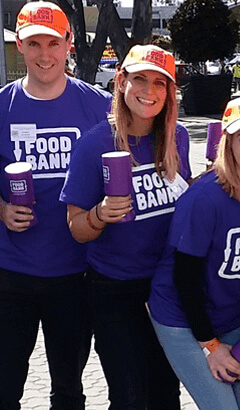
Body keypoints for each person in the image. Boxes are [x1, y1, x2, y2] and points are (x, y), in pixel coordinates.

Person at [60, 44, 189, 409]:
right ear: (121, 81)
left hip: (166, 287)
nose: (150, 92)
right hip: (115, 291)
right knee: (129, 397)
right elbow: (76, 227)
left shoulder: (176, 137)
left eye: (160, 83)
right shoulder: (94, 145)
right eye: (140, 80)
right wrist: (101, 214)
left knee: (166, 394)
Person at [147, 95, 240, 409]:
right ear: (228, 145)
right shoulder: (206, 197)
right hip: (184, 318)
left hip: (233, 317)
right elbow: (184, 278)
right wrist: (210, 346)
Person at [0, 2, 111, 408]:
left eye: (52, 42)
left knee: (67, 387)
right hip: (11, 272)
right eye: (33, 43)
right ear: (19, 45)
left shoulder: (99, 106)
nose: (44, 54)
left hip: (76, 271)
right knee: (5, 384)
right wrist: (1, 209)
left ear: (69, 43)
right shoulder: (3, 106)